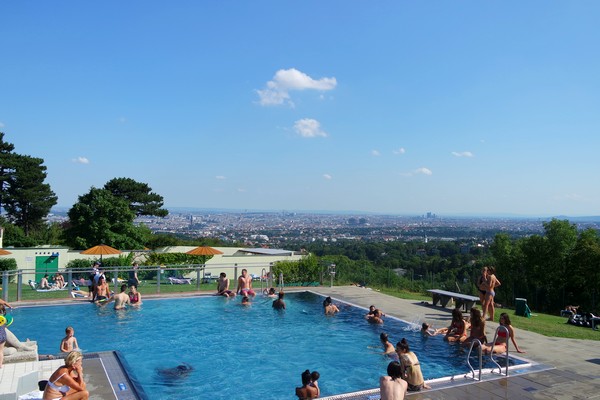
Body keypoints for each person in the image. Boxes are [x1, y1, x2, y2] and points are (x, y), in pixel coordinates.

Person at [0, 299, 13, 368]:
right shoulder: (3, 319)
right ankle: (0, 365)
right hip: (3, 336)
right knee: (1, 351)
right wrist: (10, 306)